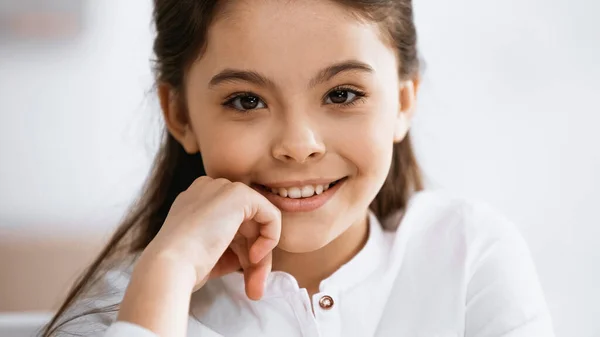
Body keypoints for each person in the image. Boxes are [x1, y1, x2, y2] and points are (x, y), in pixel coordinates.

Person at [41, 0, 555, 336]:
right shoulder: (128, 309)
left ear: (403, 102)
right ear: (179, 113)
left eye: (342, 94)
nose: (298, 145)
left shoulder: (468, 255)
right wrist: (167, 274)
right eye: (246, 101)